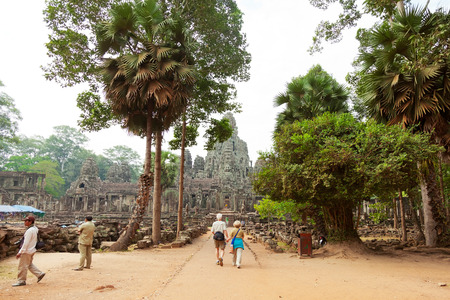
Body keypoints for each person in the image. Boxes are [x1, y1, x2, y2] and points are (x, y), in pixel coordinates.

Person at [12, 215, 45, 286]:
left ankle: (21, 280)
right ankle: (39, 274)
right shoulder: (35, 228)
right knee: (29, 264)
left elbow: (25, 243)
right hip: (32, 249)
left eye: (26, 221)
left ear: (30, 222)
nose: (24, 222)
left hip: (27, 250)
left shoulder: (29, 231)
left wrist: (20, 252)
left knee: (22, 266)